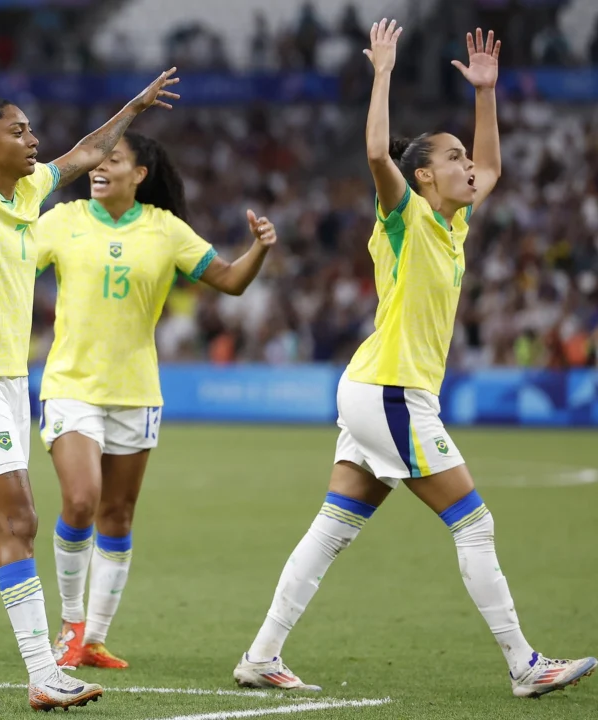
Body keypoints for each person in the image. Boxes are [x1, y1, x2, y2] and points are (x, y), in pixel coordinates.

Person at [232, 24, 596, 698]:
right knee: (475, 521)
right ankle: (524, 663)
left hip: (378, 389)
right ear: (422, 174)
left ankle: (261, 655)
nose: (468, 167)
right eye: (453, 157)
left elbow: (492, 170)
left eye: (465, 157)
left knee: (333, 527)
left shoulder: (450, 223)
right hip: (393, 393)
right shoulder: (404, 216)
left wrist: (486, 97)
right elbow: (377, 149)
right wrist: (383, 73)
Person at [0, 131, 278, 670]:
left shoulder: (166, 230)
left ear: (140, 174)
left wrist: (259, 247)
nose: (100, 168)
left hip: (137, 390)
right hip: (70, 385)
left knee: (117, 514)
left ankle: (92, 638)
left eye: (114, 161)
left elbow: (230, 281)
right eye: (100, 160)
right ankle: (70, 625)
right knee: (80, 500)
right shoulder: (62, 220)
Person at [0, 66, 178, 709]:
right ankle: (44, 673)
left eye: (31, 128)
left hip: (7, 382)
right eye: (19, 131)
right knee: (19, 517)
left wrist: (133, 105)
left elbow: (89, 152)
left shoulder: (30, 193)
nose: (34, 139)